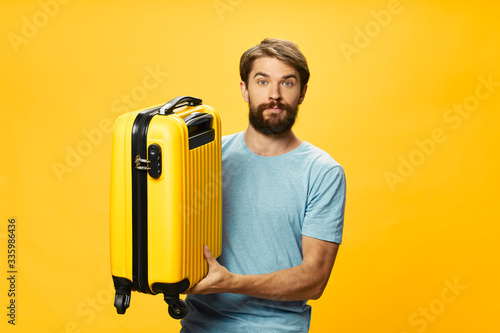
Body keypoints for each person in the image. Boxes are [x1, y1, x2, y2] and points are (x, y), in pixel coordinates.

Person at [180, 38, 346, 332]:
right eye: (262, 81)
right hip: (197, 326)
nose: (274, 95)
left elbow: (315, 279)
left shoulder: (323, 172)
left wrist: (233, 283)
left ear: (302, 92)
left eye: (287, 83)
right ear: (245, 89)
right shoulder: (206, 157)